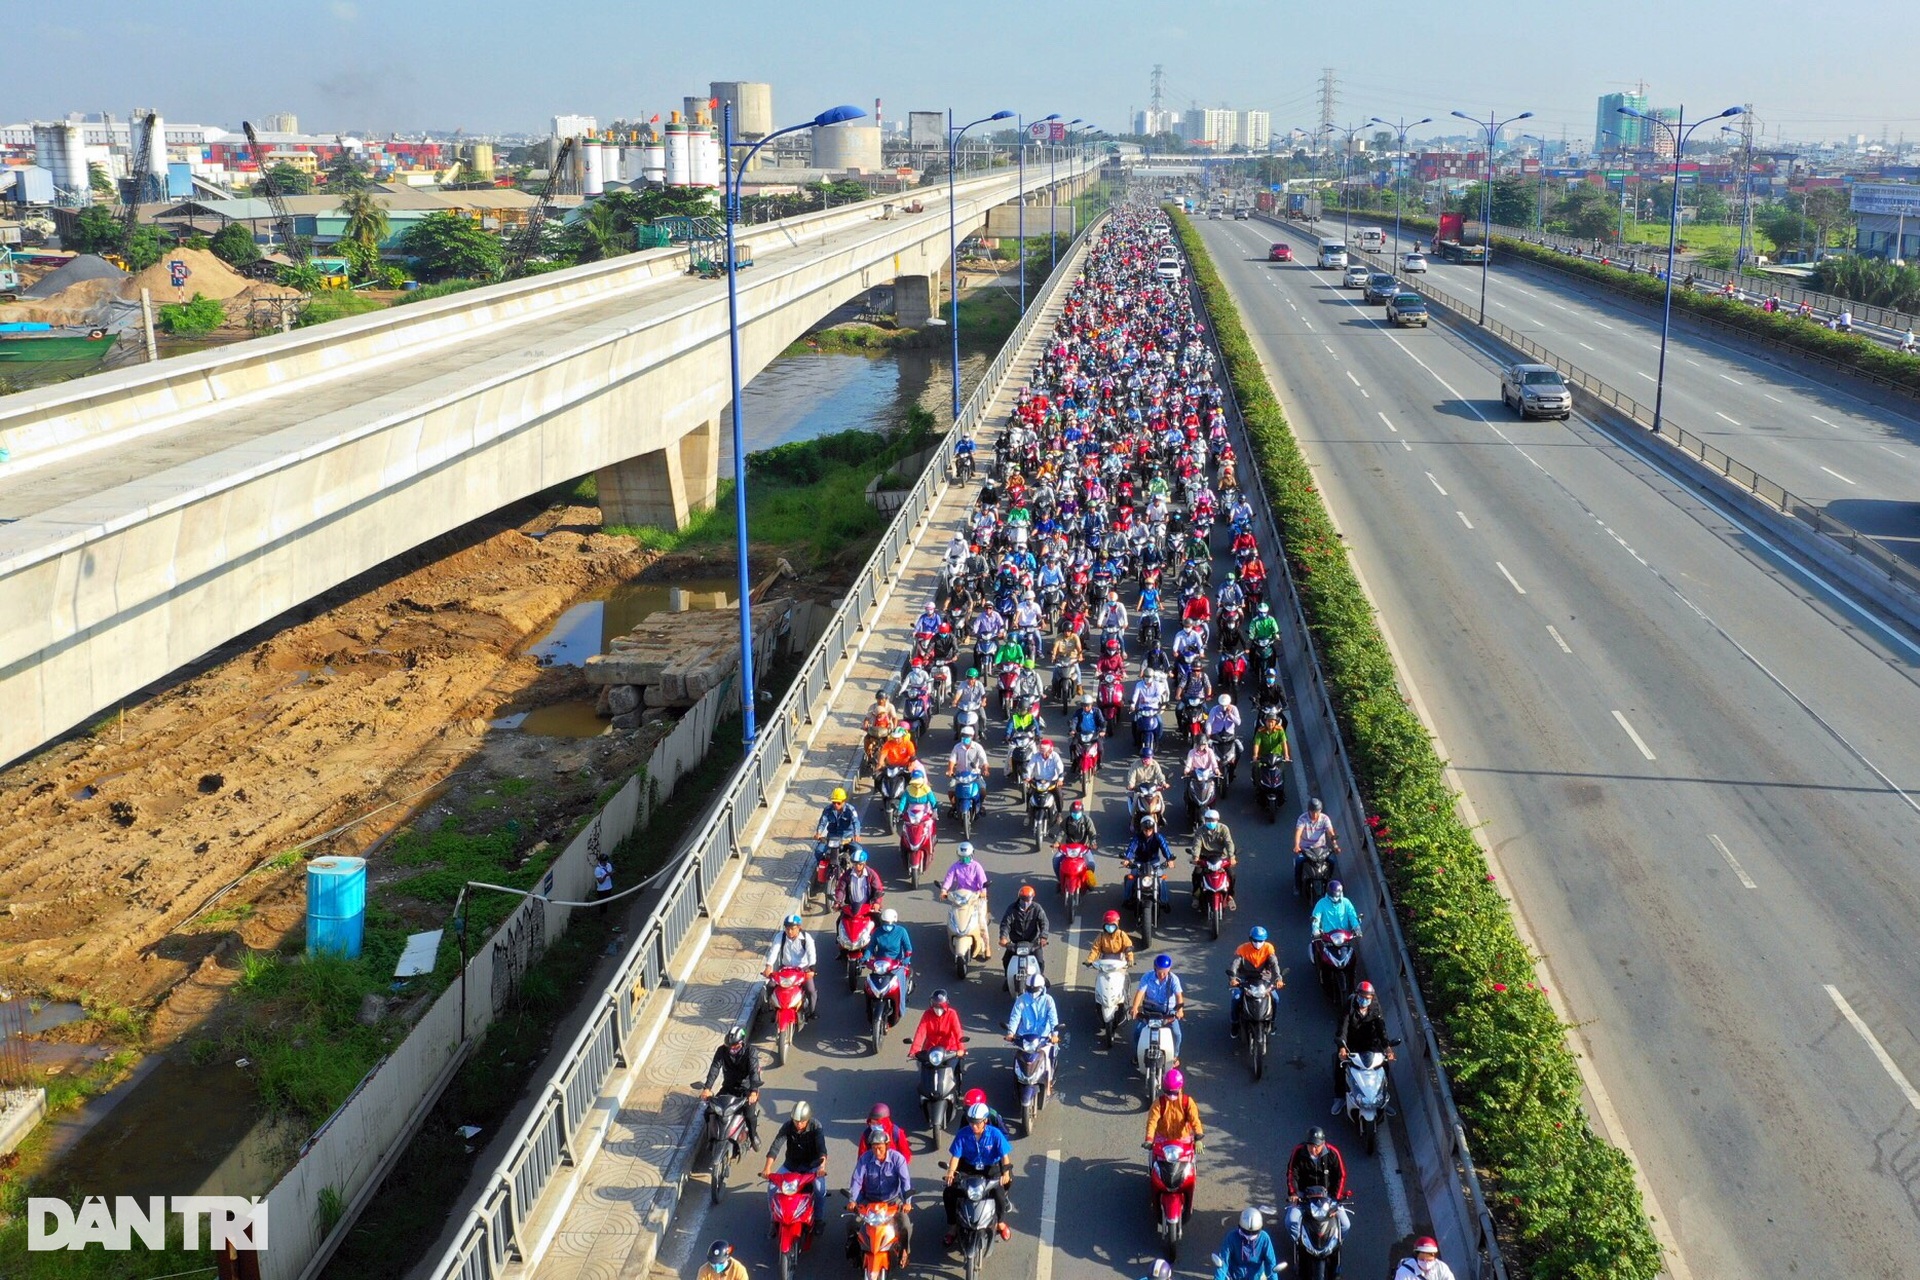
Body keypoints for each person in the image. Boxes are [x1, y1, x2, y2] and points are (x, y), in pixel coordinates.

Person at [943, 1105, 1015, 1244]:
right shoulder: (963, 1134)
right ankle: (953, 1226)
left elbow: (1005, 1157)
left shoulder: (995, 1134)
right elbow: (955, 1157)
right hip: (969, 1167)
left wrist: (1005, 1173)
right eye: (971, 1122)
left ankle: (1000, 1222)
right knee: (949, 1192)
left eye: (976, 1122)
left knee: (999, 1194)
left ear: (985, 1121)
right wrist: (950, 1173)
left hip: (990, 1168)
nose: (973, 1126)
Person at [847, 1126, 914, 1258]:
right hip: (869, 1200)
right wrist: (852, 1200)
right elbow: (857, 1180)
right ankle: (855, 1253)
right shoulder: (865, 1159)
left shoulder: (897, 1159)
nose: (877, 1152)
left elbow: (905, 1182)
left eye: (880, 1148)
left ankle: (904, 1251)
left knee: (905, 1225)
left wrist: (907, 1202)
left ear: (887, 1146)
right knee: (852, 1223)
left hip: (892, 1201)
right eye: (874, 1148)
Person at [760, 1100, 829, 1225]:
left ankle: (818, 1219)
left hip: (812, 1166)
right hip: (791, 1165)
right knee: (772, 1188)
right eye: (796, 1121)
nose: (798, 1124)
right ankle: (774, 1219)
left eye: (802, 1121)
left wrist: (821, 1167)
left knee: (819, 1189)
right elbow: (775, 1147)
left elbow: (822, 1149)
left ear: (808, 1119)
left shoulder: (816, 1126)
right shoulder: (787, 1126)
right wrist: (767, 1169)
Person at [699, 1026, 762, 1150]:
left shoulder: (751, 1052)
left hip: (746, 1090)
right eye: (730, 1047)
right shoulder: (721, 1051)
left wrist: (753, 1091)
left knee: (749, 1115)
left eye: (735, 1047)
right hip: (728, 1087)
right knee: (709, 1112)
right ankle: (711, 1137)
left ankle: (753, 1136)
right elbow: (714, 1069)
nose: (732, 1049)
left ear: (742, 1043)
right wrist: (707, 1088)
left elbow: (754, 1072)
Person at [1336, 979, 1394, 1093]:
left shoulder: (1375, 1008)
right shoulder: (1350, 1006)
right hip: (1351, 1043)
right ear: (1357, 995)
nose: (1364, 1000)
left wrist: (1387, 1047)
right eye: (1362, 997)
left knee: (1384, 1067)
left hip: (1370, 1044)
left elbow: (1381, 1027)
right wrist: (1342, 1047)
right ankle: (1339, 1096)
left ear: (1372, 998)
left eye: (1367, 998)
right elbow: (1343, 1026)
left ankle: (1383, 1095)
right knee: (1340, 1066)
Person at [1004, 969, 1062, 1078]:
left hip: (1044, 1037)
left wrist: (1054, 1035)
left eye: (1034, 989)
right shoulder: (1021, 999)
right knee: (1018, 1058)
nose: (1032, 992)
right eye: (1030, 989)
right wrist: (1011, 1033)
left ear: (1042, 988)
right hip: (1025, 1036)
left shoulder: (1048, 1000)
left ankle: (1049, 1081)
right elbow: (1015, 1017)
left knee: (1051, 1056)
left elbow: (1053, 1018)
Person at [1227, 926, 1282, 1036]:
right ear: (1250, 939)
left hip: (1263, 979)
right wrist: (1233, 979)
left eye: (1261, 941)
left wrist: (1278, 979)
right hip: (1245, 978)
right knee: (1236, 998)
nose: (1258, 943)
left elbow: (1274, 965)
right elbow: (1234, 965)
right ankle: (1234, 1023)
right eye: (1255, 941)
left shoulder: (1268, 948)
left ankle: (1272, 1022)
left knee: (1275, 998)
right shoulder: (1242, 949)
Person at [763, 913, 818, 1018]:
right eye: (787, 928)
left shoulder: (806, 938)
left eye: (793, 928)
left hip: (802, 970)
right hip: (785, 969)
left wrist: (812, 969)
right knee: (770, 986)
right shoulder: (780, 936)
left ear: (799, 928)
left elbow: (811, 953)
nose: (789, 931)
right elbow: (774, 951)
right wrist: (769, 966)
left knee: (810, 990)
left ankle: (812, 1011)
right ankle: (773, 1007)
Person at [1132, 953, 1186, 1056]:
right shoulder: (1147, 977)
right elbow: (1140, 993)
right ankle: (1138, 1054)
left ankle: (1175, 1056)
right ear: (1155, 968)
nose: (1161, 975)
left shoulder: (1174, 979)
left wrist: (1180, 1010)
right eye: (1159, 972)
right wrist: (1134, 1008)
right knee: (1137, 1033)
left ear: (1169, 969)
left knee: (1177, 1034)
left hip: (1168, 1012)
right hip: (1150, 1010)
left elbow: (1179, 996)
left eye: (1164, 972)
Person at [867, 908, 914, 1018]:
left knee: (900, 986)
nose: (887, 925)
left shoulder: (901, 931)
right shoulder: (877, 932)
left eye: (890, 923)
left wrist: (906, 958)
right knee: (870, 984)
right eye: (885, 923)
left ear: (894, 922)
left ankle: (901, 1009)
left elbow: (908, 948)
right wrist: (865, 957)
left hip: (896, 964)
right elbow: (871, 947)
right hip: (880, 964)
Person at [1123, 816, 1175, 915]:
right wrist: (1127, 859)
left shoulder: (1158, 837)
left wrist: (1169, 859)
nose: (1148, 832)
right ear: (1142, 828)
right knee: (1131, 877)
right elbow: (1131, 848)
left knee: (1161, 879)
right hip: (1139, 862)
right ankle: (1127, 899)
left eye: (1150, 829)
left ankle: (1164, 901)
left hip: (1154, 863)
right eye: (1146, 829)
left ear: (1153, 829)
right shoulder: (1137, 838)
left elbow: (1165, 848)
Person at [1215, 1208, 1282, 1280]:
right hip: (1234, 1277)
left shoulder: (1264, 1238)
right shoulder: (1231, 1238)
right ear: (1239, 1226)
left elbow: (1270, 1262)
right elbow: (1223, 1261)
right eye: (1246, 1232)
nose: (1250, 1236)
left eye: (1254, 1232)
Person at [1190, 808, 1238, 909]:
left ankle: (1229, 896)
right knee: (1196, 874)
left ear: (1217, 820)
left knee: (1232, 875)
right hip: (1205, 857)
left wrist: (1232, 857)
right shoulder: (1200, 830)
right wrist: (1196, 857)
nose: (1211, 822)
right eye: (1208, 820)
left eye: (1213, 820)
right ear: (1205, 820)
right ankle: (1196, 896)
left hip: (1221, 857)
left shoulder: (1224, 829)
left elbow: (1229, 843)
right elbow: (1197, 844)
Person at [999, 884, 1051, 977]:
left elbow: (1044, 922)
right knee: (1006, 960)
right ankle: (1008, 978)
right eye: (1024, 899)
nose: (1026, 902)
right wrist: (1003, 937)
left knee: (1040, 961)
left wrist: (1043, 937)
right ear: (1019, 898)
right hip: (1016, 943)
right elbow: (1005, 923)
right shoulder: (1012, 909)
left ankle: (1040, 978)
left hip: (1032, 942)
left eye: (1028, 899)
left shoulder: (1037, 908)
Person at [1142, 1064, 1202, 1145]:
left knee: (1190, 1157)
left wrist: (1198, 1137)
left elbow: (1194, 1120)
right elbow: (1152, 1122)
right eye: (1168, 1092)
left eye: (1174, 1093)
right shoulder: (1158, 1103)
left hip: (1184, 1139)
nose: (1171, 1096)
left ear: (1180, 1088)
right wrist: (1149, 1139)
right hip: (1163, 1140)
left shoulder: (1187, 1102)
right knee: (1154, 1156)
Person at [1286, 1127, 1348, 1203]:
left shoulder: (1333, 1153)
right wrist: (1294, 1193)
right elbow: (1292, 1173)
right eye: (1310, 1146)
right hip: (1303, 1194)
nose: (1313, 1150)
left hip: (1327, 1194)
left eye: (1316, 1146)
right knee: (1291, 1215)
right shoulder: (1298, 1151)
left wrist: (1336, 1197)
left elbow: (1341, 1175)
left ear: (1323, 1143)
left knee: (1342, 1215)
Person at [1293, 797, 1338, 896]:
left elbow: (1330, 833)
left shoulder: (1325, 819)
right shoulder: (1302, 818)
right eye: (1313, 812)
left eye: (1317, 812)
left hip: (1321, 848)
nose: (1315, 814)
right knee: (1299, 862)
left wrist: (1335, 845)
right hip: (1306, 849)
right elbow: (1298, 832)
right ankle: (1297, 885)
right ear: (1309, 810)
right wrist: (1297, 845)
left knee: (1331, 862)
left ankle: (1328, 880)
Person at [909, 988, 966, 1057]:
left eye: (941, 1008)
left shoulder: (952, 1014)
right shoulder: (927, 1014)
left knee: (956, 1065)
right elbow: (920, 1032)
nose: (938, 1010)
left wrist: (961, 1049)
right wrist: (914, 1050)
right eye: (936, 1008)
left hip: (949, 1050)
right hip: (931, 1050)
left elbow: (958, 1032)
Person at [816, 787, 860, 853]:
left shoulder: (850, 810)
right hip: (832, 838)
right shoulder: (828, 809)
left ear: (844, 801)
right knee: (818, 851)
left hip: (846, 838)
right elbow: (822, 822)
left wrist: (856, 835)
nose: (836, 805)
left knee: (858, 850)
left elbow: (856, 822)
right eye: (834, 802)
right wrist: (818, 833)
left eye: (838, 803)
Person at [1394, 1237, 1459, 1280]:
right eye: (1422, 1258)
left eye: (1429, 1258)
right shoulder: (1403, 1272)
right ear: (1416, 1256)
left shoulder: (1441, 1268)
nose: (1426, 1261)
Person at [593, 851, 615, 915]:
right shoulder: (598, 869)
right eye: (605, 861)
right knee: (602, 904)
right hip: (602, 890)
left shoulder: (609, 865)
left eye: (606, 860)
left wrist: (611, 874)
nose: (606, 862)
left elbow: (612, 876)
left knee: (607, 902)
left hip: (609, 887)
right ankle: (601, 915)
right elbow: (600, 882)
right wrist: (606, 875)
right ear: (601, 861)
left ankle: (605, 913)